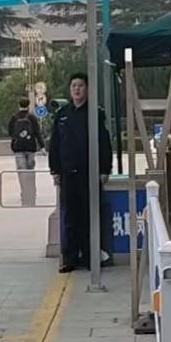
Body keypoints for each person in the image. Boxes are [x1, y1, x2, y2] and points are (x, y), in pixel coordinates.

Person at [48, 72, 112, 273]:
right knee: (70, 217)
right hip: (68, 174)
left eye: (81, 85)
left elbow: (104, 143)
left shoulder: (95, 113)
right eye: (74, 86)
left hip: (89, 173)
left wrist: (104, 169)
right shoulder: (62, 114)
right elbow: (55, 144)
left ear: (87, 89)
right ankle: (70, 259)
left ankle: (90, 257)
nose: (77, 89)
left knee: (89, 216)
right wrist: (55, 169)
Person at [8, 98, 44, 206]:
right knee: (30, 171)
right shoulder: (31, 117)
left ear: (18, 105)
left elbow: (10, 132)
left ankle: (24, 192)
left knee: (22, 172)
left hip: (18, 148)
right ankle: (32, 192)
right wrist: (42, 146)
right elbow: (37, 132)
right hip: (30, 148)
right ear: (28, 106)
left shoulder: (14, 117)